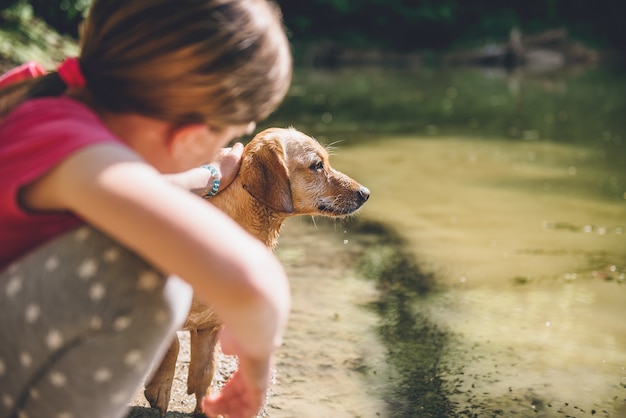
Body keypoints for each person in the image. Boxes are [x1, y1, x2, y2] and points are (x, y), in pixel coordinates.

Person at [0, 0, 292, 417]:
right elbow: (258, 286)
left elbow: (139, 185)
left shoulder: (41, 104)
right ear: (186, 137)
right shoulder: (75, 155)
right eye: (227, 135)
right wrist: (255, 368)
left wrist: (211, 174)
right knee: (148, 283)